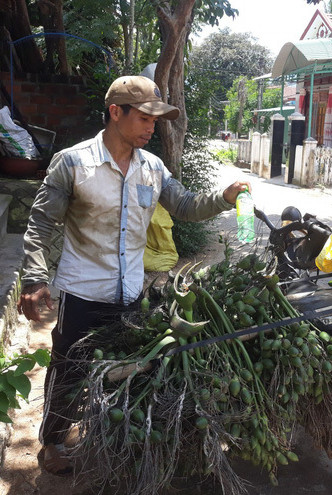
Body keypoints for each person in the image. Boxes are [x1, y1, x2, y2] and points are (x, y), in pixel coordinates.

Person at [17, 75, 250, 475]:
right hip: (82, 293)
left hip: (131, 296)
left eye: (155, 121)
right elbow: (40, 224)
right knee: (69, 371)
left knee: (125, 373)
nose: (151, 127)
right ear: (115, 112)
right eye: (144, 118)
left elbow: (187, 205)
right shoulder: (73, 163)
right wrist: (35, 279)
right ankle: (52, 442)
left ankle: (106, 441)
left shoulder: (153, 168)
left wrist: (224, 198)